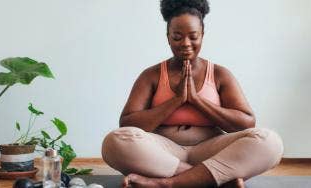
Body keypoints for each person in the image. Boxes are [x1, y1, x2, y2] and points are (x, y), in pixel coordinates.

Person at [101, 0, 284, 187]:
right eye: (177, 37)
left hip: (211, 150)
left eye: (193, 36)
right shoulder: (152, 75)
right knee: (114, 142)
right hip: (163, 153)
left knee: (269, 142)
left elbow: (246, 122)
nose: (185, 44)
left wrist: (196, 100)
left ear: (202, 35)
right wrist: (177, 100)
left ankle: (166, 183)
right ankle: (211, 179)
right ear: (168, 37)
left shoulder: (220, 74)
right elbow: (127, 123)